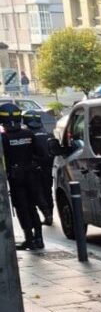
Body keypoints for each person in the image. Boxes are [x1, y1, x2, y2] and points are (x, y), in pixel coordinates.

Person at [0, 103, 43, 250]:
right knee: (32, 207)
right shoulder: (29, 134)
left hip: (15, 178)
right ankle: (39, 238)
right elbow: (40, 154)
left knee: (22, 208)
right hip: (31, 176)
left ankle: (29, 239)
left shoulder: (3, 138)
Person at [23, 111, 58, 226]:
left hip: (34, 168)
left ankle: (47, 215)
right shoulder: (48, 134)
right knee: (47, 191)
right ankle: (50, 215)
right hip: (49, 168)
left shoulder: (27, 135)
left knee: (37, 193)